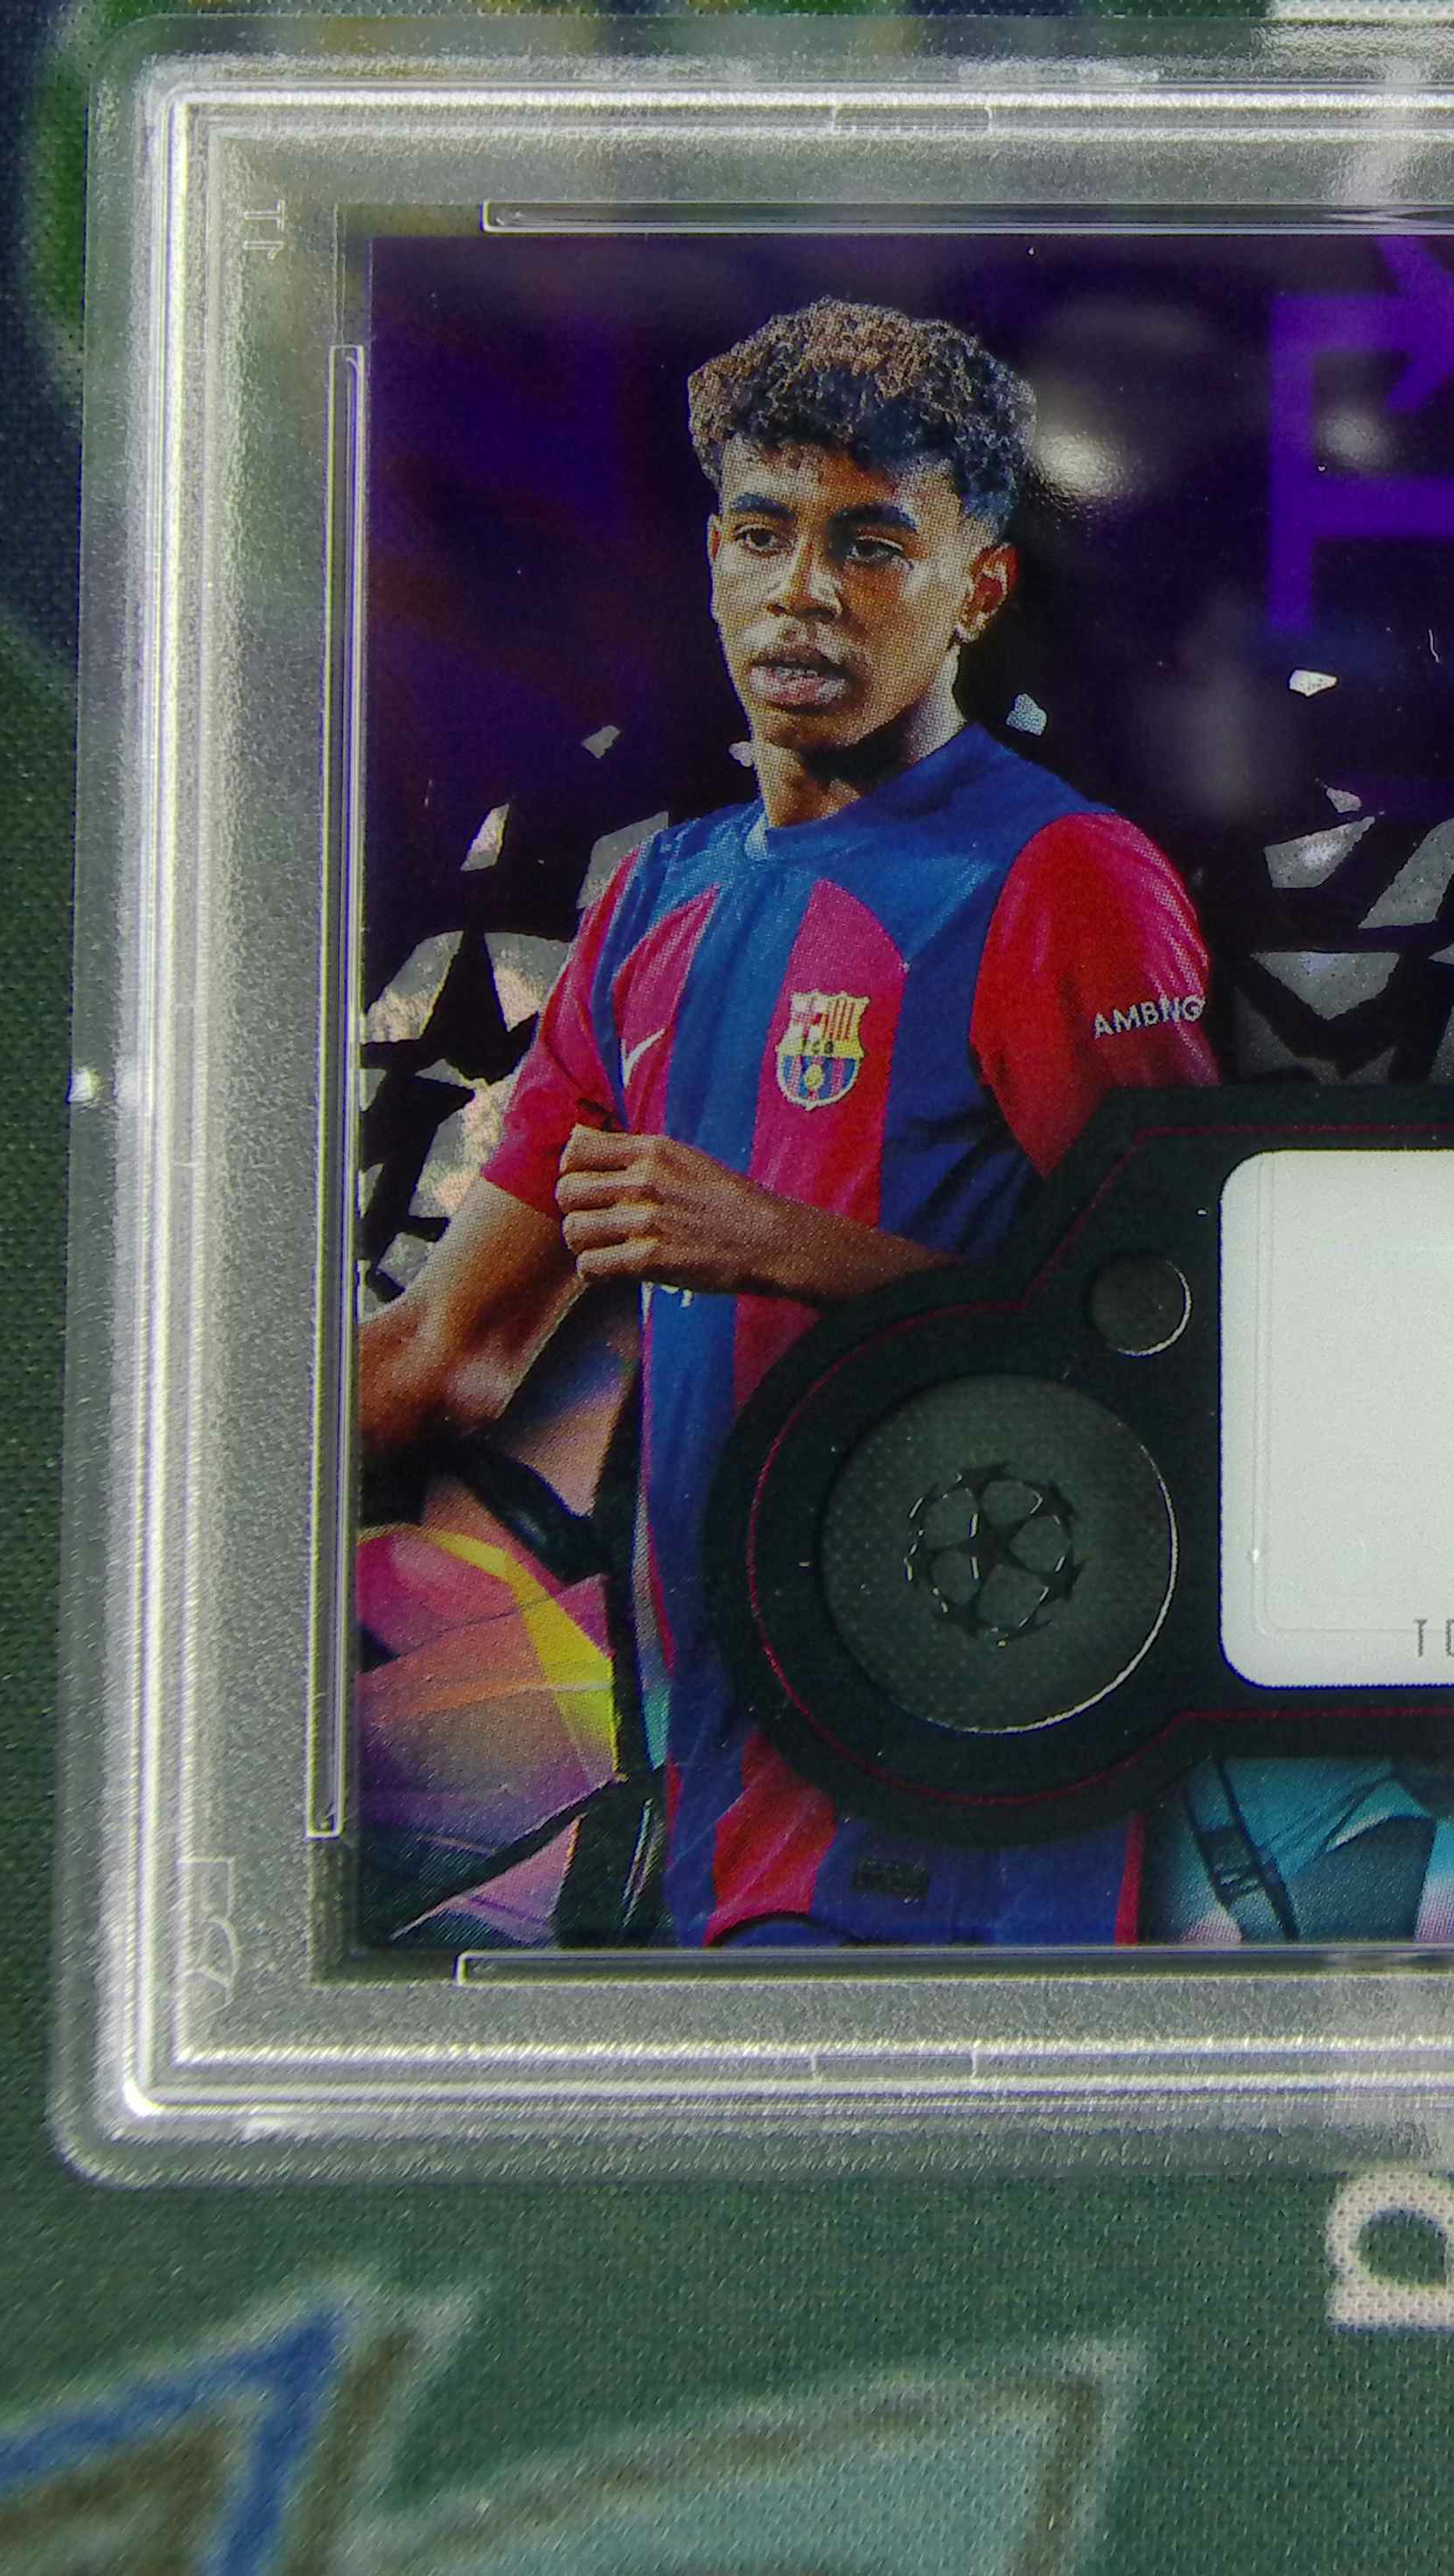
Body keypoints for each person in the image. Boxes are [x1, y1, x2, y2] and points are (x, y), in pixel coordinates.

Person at [360, 297, 1216, 1943]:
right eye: (765, 533)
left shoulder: (1059, 879)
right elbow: (445, 1357)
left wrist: (785, 1245)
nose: (804, 590)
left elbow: (1196, 1337)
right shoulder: (656, 900)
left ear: (978, 587)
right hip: (712, 1784)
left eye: (872, 544)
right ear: (715, 557)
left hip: (959, 1779)